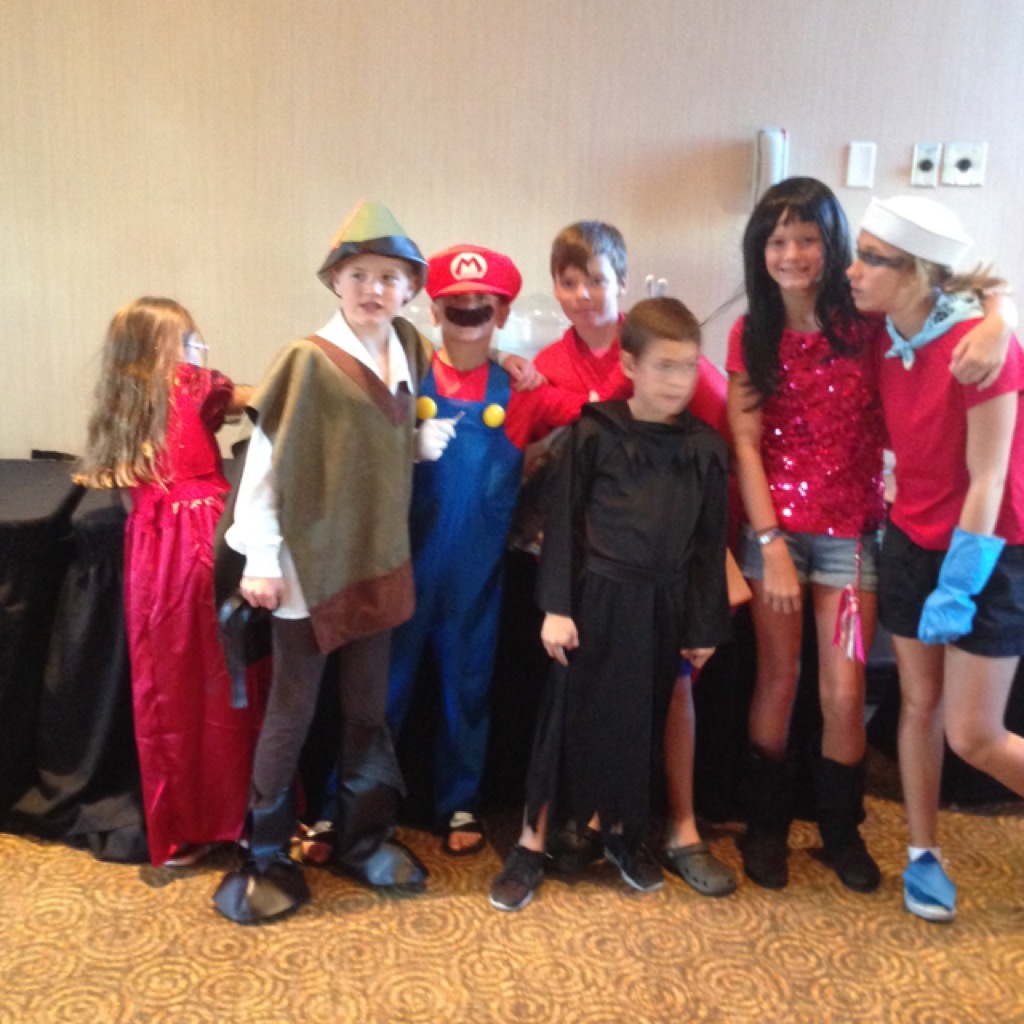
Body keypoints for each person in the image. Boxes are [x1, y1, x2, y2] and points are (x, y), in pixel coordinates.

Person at [727, 178, 1015, 895]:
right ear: (759, 250)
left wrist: (998, 316)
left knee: (846, 688)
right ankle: (765, 825)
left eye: (808, 239)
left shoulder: (865, 324)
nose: (792, 254)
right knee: (777, 679)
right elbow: (745, 441)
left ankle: (840, 829)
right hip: (775, 538)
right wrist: (770, 544)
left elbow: (950, 297)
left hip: (853, 540)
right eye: (777, 240)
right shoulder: (750, 333)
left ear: (831, 245)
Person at [212, 201, 434, 924]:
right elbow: (266, 466)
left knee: (367, 708)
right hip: (308, 564)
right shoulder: (305, 362)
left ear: (410, 287)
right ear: (336, 280)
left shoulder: (409, 349)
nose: (373, 289)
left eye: (389, 277)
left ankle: (364, 839)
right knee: (294, 707)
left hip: (378, 557)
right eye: (359, 274)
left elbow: (367, 441)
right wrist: (261, 556)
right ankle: (264, 856)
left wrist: (414, 446)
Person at [500, 220, 737, 897]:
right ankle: (531, 844)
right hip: (595, 593)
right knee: (565, 712)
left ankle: (623, 835)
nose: (679, 380)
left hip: (662, 601)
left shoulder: (704, 448)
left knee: (640, 719)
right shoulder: (595, 433)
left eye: (688, 367)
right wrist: (556, 606)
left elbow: (707, 543)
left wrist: (703, 624)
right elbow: (564, 527)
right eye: (664, 367)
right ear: (631, 367)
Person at [387, 244, 629, 856]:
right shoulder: (403, 375)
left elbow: (598, 415)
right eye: (456, 304)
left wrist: (640, 362)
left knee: (466, 690)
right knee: (382, 690)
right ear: (434, 312)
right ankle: (358, 808)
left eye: (482, 304)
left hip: (477, 576)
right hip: (401, 567)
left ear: (501, 313)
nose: (469, 312)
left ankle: (460, 803)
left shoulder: (522, 390)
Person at [848, 195, 1023, 923]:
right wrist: (1001, 305)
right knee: (918, 705)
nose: (853, 270)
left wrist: (960, 584)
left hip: (987, 552)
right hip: (911, 540)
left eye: (871, 258)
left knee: (974, 735)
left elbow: (990, 479)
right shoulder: (884, 333)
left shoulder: (982, 349)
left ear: (918, 271)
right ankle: (923, 852)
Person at [74, 297, 260, 868]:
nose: (194, 349)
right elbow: (257, 395)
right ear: (161, 346)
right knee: (229, 674)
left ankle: (187, 823)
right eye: (186, 339)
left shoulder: (122, 399)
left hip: (153, 554)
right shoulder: (191, 383)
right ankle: (244, 814)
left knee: (170, 686)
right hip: (203, 541)